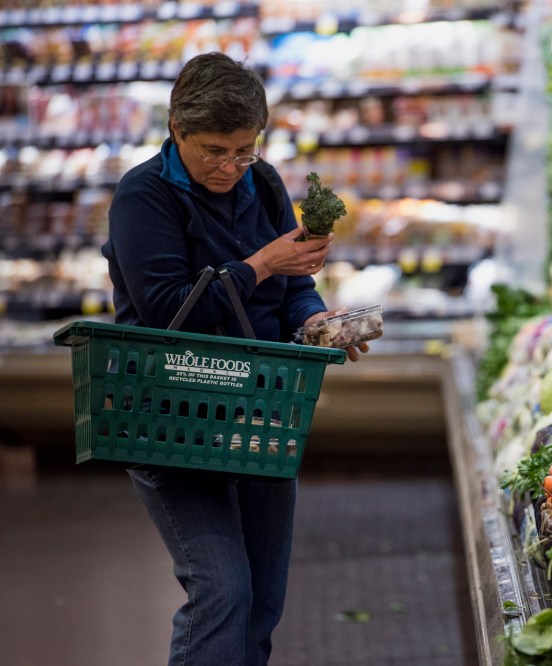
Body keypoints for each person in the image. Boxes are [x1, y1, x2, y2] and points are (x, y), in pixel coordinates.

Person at [101, 52, 367, 665]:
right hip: (170, 414)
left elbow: (294, 283)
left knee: (263, 601)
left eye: (244, 149)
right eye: (214, 150)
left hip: (262, 407)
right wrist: (264, 261)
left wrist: (316, 317)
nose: (231, 166)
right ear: (177, 129)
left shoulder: (264, 182)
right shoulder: (142, 196)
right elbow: (170, 310)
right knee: (222, 588)